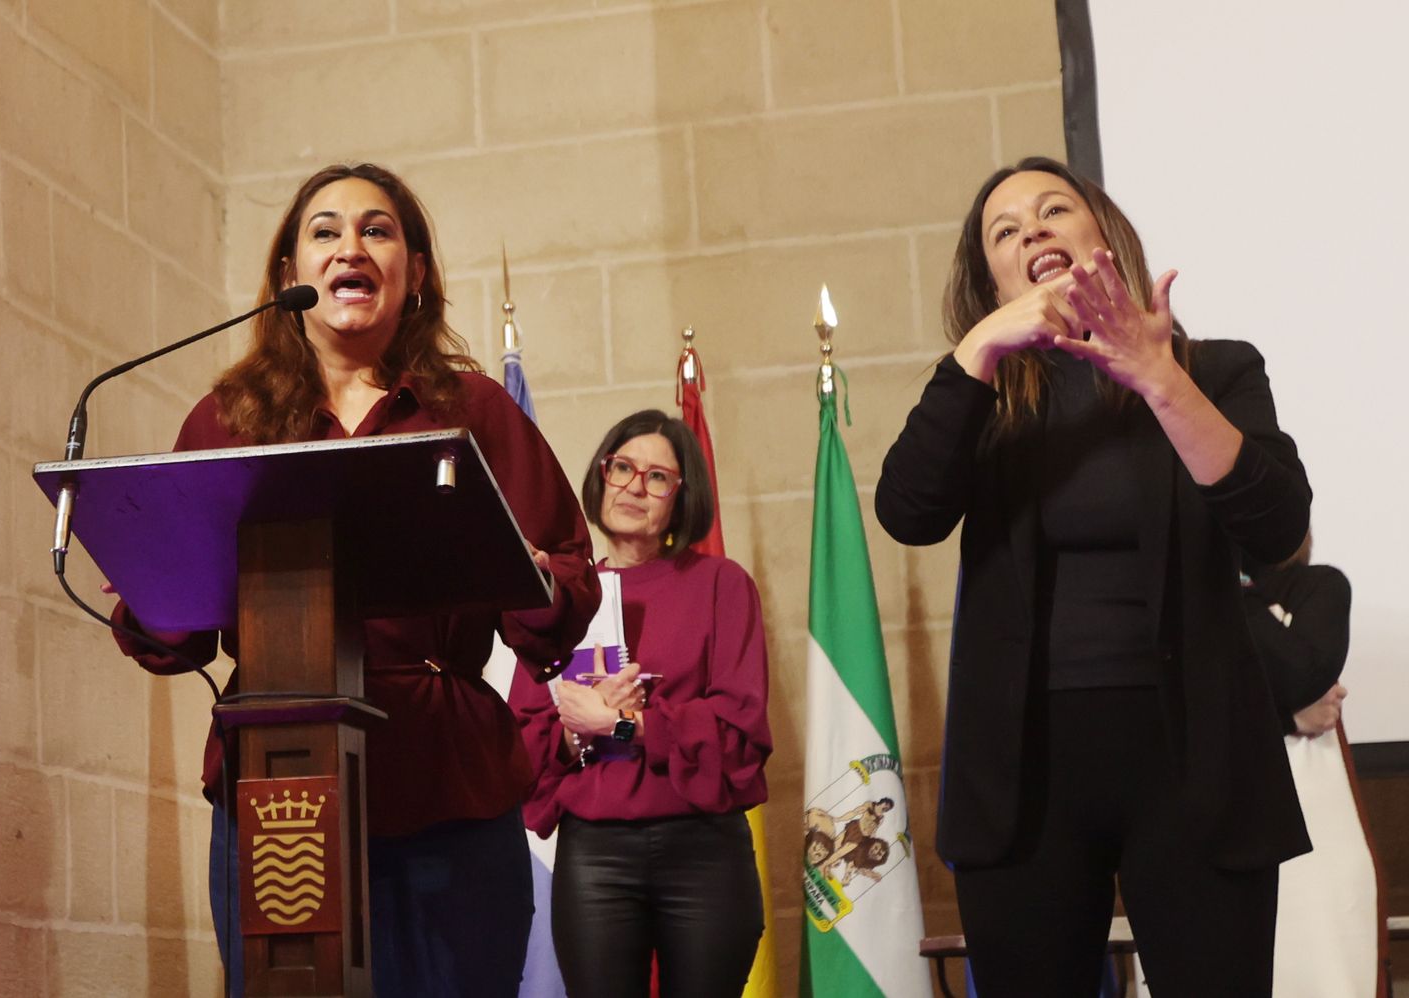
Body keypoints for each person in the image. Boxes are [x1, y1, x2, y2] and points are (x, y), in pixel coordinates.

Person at [108, 163, 600, 997]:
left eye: (377, 230)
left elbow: (563, 585)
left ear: (414, 273)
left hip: (446, 783)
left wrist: (529, 571)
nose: (352, 247)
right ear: (289, 276)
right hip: (280, 789)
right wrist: (148, 587)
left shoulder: (471, 410)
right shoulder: (228, 419)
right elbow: (175, 629)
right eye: (326, 231)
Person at [874, 156, 1312, 995]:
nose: (1032, 230)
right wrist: (979, 348)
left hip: (1195, 759)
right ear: (991, 278)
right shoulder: (987, 398)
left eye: (1053, 211)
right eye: (1005, 231)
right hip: (1024, 771)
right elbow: (908, 512)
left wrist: (1158, 376)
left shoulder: (1215, 371)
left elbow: (1276, 528)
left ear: (1103, 235)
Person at [508, 409, 771, 998]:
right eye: (622, 467)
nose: (633, 485)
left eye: (658, 478)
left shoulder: (721, 586)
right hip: (596, 857)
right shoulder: (562, 598)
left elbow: (740, 728)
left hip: (702, 851)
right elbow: (522, 739)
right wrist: (577, 733)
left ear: (681, 499)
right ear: (602, 476)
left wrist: (624, 723)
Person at [1241, 537, 1383, 997]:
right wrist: (1286, 717)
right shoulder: (1176, 596)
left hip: (1317, 834)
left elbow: (1302, 675)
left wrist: (1230, 591)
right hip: (1212, 825)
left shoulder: (1319, 585)